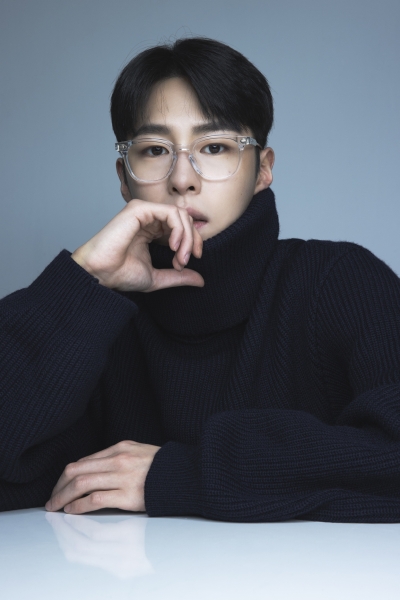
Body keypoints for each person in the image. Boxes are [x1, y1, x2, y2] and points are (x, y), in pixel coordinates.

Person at [1, 37, 400, 522]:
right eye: (155, 150)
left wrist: (181, 473)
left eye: (214, 147)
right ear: (124, 177)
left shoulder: (339, 282)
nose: (183, 179)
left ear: (263, 170)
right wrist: (82, 281)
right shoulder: (95, 322)